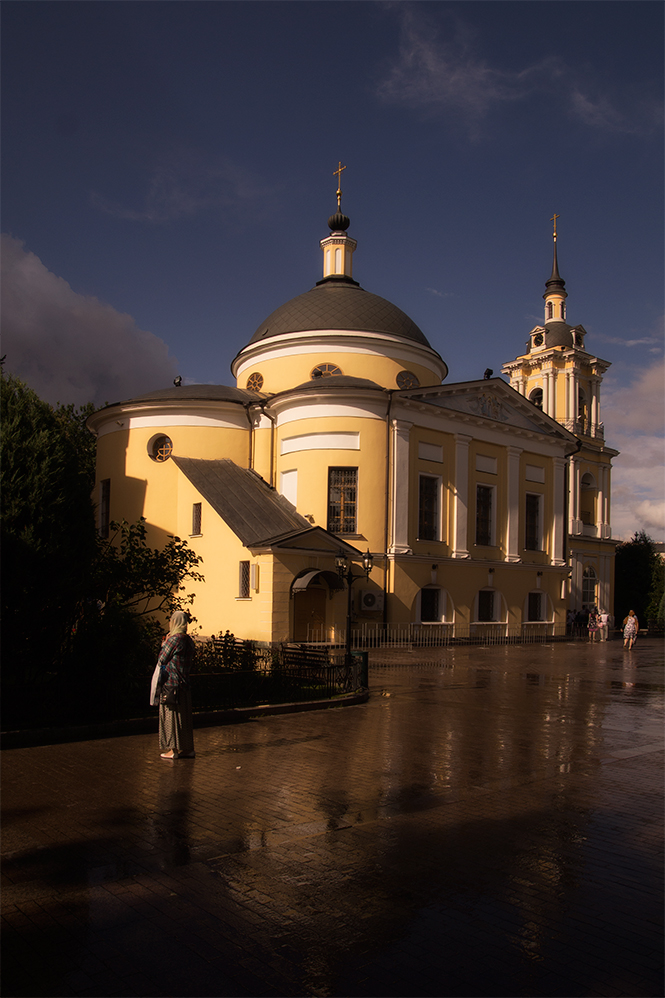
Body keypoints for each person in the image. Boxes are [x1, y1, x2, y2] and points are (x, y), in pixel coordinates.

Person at [155, 610, 195, 759]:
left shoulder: (174, 640)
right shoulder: (188, 640)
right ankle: (188, 748)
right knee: (184, 718)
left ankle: (173, 750)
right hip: (185, 684)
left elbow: (162, 659)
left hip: (171, 684)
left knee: (171, 717)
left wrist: (164, 644)